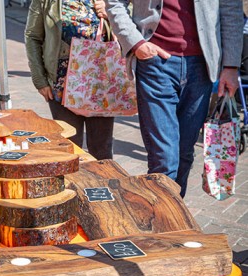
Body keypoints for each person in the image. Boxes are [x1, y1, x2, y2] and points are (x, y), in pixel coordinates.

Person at [105, 0, 244, 197]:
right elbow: (114, 2)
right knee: (165, 160)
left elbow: (231, 9)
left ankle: (174, 216)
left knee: (184, 154)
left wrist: (231, 66)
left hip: (202, 66)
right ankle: (162, 221)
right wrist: (137, 43)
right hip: (155, 64)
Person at [25, 0, 115, 160]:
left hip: (99, 82)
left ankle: (102, 183)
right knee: (69, 148)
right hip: (62, 83)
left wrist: (111, 15)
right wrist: (40, 79)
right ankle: (71, 185)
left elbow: (132, 21)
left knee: (101, 150)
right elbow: (33, 36)